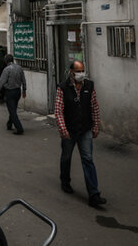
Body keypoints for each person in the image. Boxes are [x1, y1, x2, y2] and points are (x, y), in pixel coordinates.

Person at [54, 60, 106, 208]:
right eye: (78, 71)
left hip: (85, 129)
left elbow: (94, 106)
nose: (81, 74)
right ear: (71, 72)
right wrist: (63, 129)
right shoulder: (63, 88)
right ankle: (65, 181)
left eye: (82, 70)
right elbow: (58, 110)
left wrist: (96, 125)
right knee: (66, 157)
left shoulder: (89, 86)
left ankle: (94, 194)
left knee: (88, 159)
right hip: (69, 130)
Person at [0, 54, 26, 135]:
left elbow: (1, 82)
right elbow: (24, 80)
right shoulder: (19, 68)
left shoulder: (6, 70)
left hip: (10, 92)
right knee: (13, 109)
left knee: (12, 111)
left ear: (6, 61)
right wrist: (24, 90)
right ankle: (9, 124)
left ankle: (19, 128)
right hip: (18, 91)